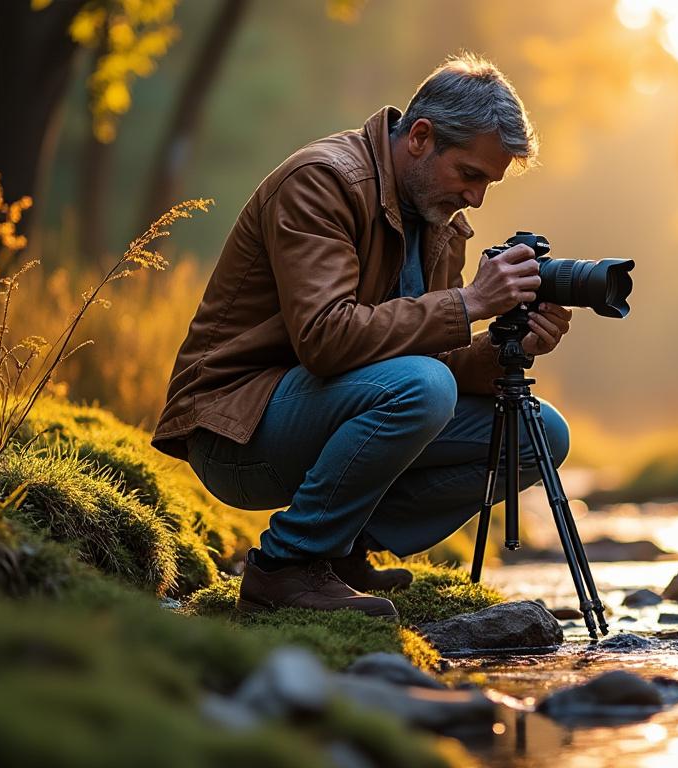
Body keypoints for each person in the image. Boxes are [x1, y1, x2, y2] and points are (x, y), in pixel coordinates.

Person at [151, 53, 572, 621]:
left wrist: (508, 350)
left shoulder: (439, 219)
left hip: (332, 409)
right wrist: (470, 302)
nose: (476, 198)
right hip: (237, 430)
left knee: (538, 432)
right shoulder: (322, 181)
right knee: (421, 387)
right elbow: (325, 338)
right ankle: (285, 566)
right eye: (470, 175)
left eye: (487, 184)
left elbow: (439, 359)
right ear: (420, 137)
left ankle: (340, 552)